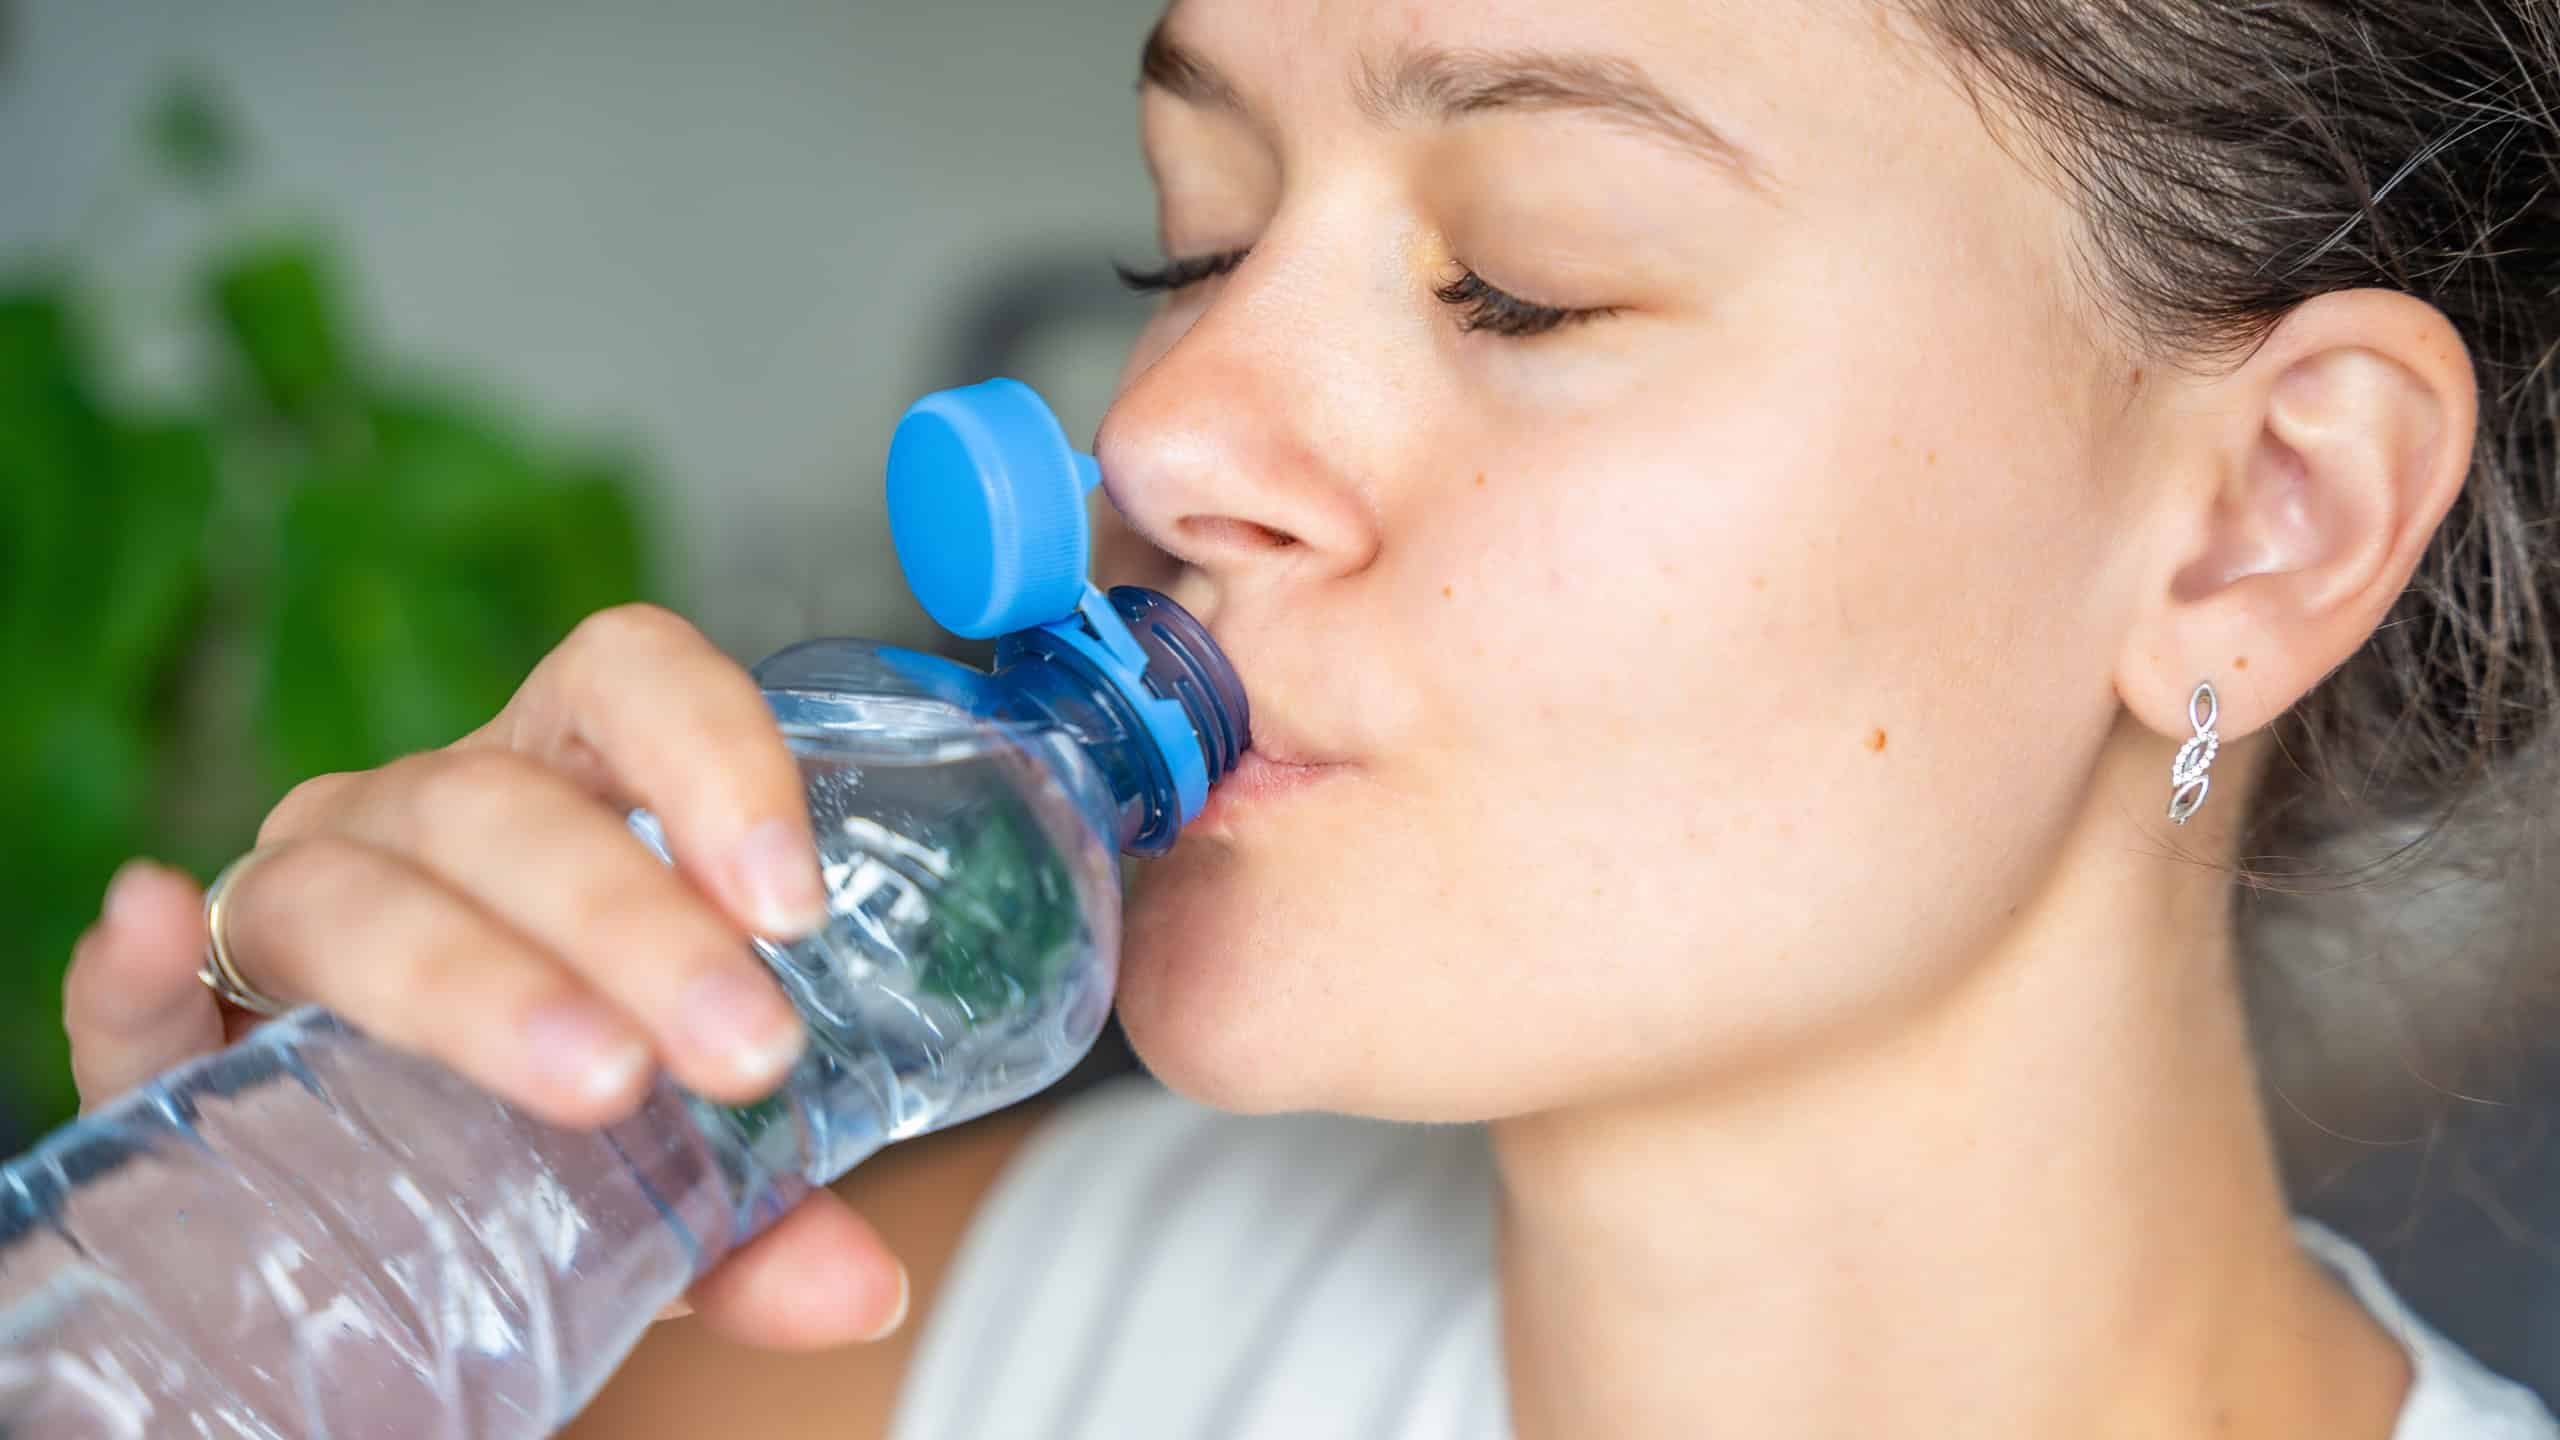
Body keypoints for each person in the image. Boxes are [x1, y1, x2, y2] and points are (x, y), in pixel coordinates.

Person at [56, 0, 2560, 1434]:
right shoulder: (966, 1338)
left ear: (2259, 519)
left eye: (1522, 284)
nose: (1156, 436)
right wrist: (272, 1246)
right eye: (1200, 238)